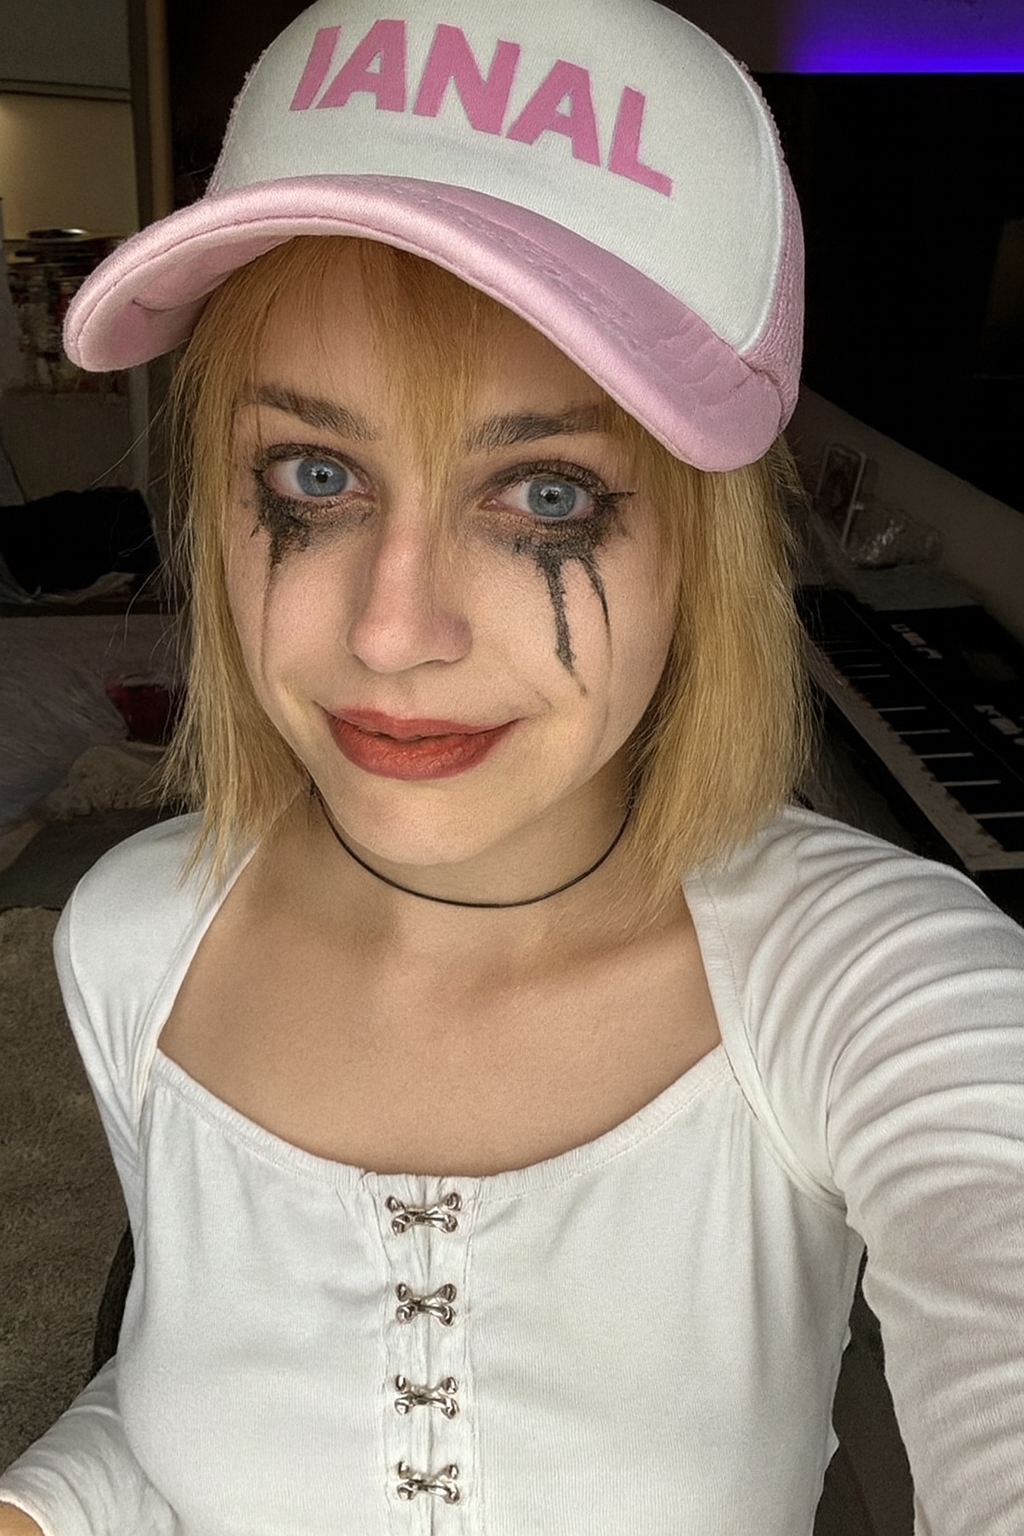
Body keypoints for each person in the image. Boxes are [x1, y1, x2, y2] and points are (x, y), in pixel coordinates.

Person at [2, 0, 1023, 1531]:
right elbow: (187, 1398)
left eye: (546, 493)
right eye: (315, 477)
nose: (393, 632)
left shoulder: (878, 984)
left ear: (703, 551)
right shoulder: (137, 939)